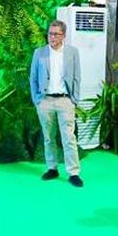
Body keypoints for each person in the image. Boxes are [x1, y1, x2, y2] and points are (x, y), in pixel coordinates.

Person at [29, 19, 83, 187]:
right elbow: (32, 78)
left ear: (63, 36)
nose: (52, 37)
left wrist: (74, 99)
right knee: (48, 137)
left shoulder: (72, 52)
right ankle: (52, 168)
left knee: (69, 138)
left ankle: (73, 172)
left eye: (56, 34)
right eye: (50, 33)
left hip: (65, 100)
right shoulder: (39, 53)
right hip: (45, 101)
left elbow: (76, 77)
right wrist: (37, 100)